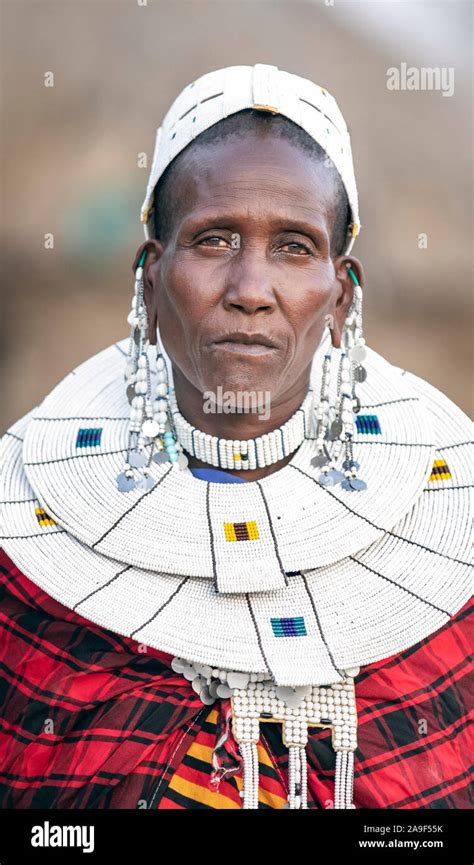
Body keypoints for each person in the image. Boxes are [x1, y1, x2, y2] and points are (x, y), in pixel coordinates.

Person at [0, 64, 471, 810]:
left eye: (292, 246)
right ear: (151, 283)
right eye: (215, 239)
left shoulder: (456, 578)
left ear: (341, 296)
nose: (251, 289)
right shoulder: (24, 575)